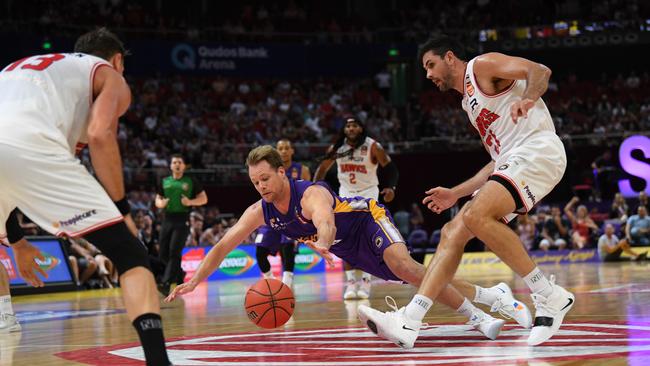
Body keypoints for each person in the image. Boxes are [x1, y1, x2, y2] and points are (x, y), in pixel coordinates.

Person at [166, 146, 533, 341]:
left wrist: (323, 244)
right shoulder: (259, 210)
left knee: (407, 267)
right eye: (254, 182)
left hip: (365, 219)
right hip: (349, 249)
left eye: (265, 178)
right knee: (419, 277)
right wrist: (197, 278)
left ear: (282, 171)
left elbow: (324, 221)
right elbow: (222, 246)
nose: (260, 186)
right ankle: (492, 296)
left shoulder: (308, 193)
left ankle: (479, 317)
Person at [358, 34, 574, 348]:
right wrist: (456, 193)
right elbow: (497, 163)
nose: (429, 74)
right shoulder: (467, 103)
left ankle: (549, 294)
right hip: (514, 160)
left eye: (430, 65)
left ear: (449, 57)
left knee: (475, 215)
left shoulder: (481, 67)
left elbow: (539, 71)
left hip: (539, 150)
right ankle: (410, 321)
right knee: (451, 232)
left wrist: (528, 98)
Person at [0, 28, 171, 365]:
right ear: (118, 60)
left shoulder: (17, 71)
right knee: (131, 257)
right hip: (32, 149)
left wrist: (18, 244)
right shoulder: (108, 75)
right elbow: (100, 134)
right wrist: (122, 209)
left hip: (19, 151)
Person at [314, 117, 399, 299]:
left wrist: (391, 187)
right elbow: (321, 170)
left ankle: (366, 283)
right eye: (348, 126)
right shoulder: (338, 148)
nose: (351, 128)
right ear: (344, 130)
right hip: (346, 193)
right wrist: (315, 188)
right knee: (344, 237)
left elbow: (391, 169)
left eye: (354, 125)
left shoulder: (373, 146)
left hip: (368, 193)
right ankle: (351, 283)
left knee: (367, 237)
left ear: (361, 128)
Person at [253, 139, 309, 287]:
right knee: (259, 252)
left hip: (292, 217)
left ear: (292, 151)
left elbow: (308, 194)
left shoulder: (302, 169)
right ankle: (271, 283)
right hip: (270, 214)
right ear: (276, 151)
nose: (283, 151)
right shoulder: (267, 170)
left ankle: (287, 285)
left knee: (287, 248)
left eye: (286, 148)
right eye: (280, 148)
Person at [154, 154, 207, 296]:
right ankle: (179, 274)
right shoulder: (164, 181)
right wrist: (161, 204)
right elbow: (158, 199)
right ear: (171, 166)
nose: (177, 164)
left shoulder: (191, 181)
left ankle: (166, 284)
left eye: (179, 162)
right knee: (163, 254)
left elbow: (203, 198)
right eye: (174, 162)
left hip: (182, 219)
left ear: (183, 166)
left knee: (174, 252)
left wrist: (190, 202)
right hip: (167, 219)